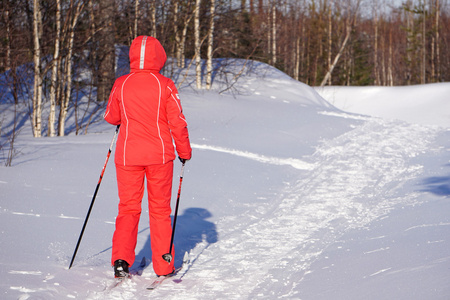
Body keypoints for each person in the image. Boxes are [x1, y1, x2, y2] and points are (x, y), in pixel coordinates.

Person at [104, 35, 192, 278]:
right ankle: (164, 265)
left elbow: (112, 116)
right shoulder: (165, 84)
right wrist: (184, 151)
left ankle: (121, 260)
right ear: (159, 56)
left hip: (127, 155)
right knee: (160, 210)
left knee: (128, 208)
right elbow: (178, 122)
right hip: (160, 156)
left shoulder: (121, 83)